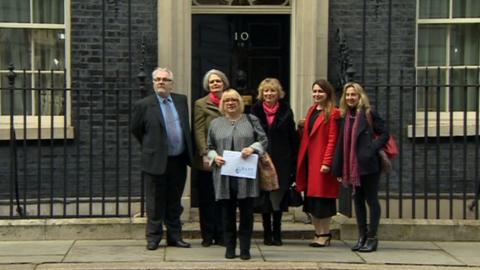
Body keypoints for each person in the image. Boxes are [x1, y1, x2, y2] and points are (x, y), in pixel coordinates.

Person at [131, 67, 194, 250]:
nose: (161, 82)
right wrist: (152, 146)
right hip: (156, 161)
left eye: (165, 80)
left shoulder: (181, 101)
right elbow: (136, 129)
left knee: (174, 201)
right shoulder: (144, 104)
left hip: (178, 160)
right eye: (157, 79)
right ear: (153, 82)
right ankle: (153, 237)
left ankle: (175, 237)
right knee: (155, 202)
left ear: (171, 84)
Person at [207, 89, 268, 260]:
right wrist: (214, 157)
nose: (231, 103)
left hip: (246, 176)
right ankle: (230, 247)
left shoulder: (251, 120)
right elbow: (209, 147)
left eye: (234, 100)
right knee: (227, 214)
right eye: (227, 100)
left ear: (240, 103)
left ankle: (245, 249)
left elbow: (263, 140)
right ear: (222, 104)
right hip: (224, 176)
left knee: (247, 214)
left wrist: (252, 148)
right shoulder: (216, 123)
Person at [332, 82, 388, 253]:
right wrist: (339, 168)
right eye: (347, 95)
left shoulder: (368, 113)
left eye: (353, 95)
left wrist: (371, 149)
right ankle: (362, 236)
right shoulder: (345, 116)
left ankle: (372, 238)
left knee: (371, 200)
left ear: (360, 96)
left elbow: (385, 133)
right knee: (358, 202)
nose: (350, 98)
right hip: (352, 167)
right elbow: (342, 143)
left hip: (369, 166)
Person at [251, 78, 298, 246]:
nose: (269, 94)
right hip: (261, 159)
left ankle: (277, 232)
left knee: (278, 197)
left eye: (272, 91)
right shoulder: (254, 111)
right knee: (264, 197)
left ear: (279, 93)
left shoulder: (286, 111)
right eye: (266, 91)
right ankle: (266, 233)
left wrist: (294, 161)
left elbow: (292, 137)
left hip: (282, 160)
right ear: (261, 94)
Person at [296, 79, 341, 248]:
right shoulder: (311, 111)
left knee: (323, 201)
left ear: (327, 93)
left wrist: (327, 162)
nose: (316, 94)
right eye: (314, 91)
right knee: (311, 200)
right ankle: (317, 233)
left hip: (321, 163)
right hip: (309, 162)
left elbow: (332, 140)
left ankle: (325, 234)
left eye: (320, 91)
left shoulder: (334, 113)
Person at [193, 69, 230, 247]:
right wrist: (205, 153)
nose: (215, 84)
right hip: (208, 158)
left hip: (228, 157)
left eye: (218, 81)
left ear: (224, 83)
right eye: (212, 82)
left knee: (224, 198)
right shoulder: (201, 104)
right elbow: (199, 130)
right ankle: (207, 235)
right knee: (207, 198)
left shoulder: (230, 100)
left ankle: (222, 234)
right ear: (207, 85)